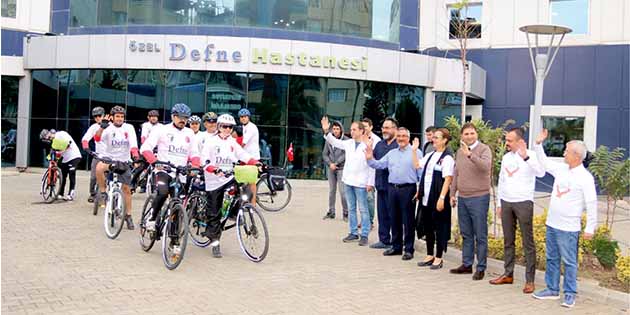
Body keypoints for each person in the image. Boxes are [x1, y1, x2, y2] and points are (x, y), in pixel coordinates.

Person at [531, 129, 597, 308]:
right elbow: (544, 162)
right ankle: (552, 289)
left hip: (569, 228)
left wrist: (590, 228)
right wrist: (538, 144)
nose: (563, 153)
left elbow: (591, 204)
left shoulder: (585, 178)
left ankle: (569, 293)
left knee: (569, 262)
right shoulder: (561, 169)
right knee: (552, 258)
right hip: (552, 223)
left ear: (576, 156)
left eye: (566, 151)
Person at [489, 127, 545, 294]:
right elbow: (502, 180)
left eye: (510, 140)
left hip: (524, 203)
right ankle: (508, 274)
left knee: (528, 242)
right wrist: (499, 203)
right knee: (508, 240)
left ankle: (529, 280)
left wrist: (526, 157)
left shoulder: (531, 155)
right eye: (506, 140)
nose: (506, 143)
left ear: (520, 141)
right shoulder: (506, 157)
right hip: (506, 202)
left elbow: (541, 172)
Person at [201, 114, 259, 258]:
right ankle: (215, 241)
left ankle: (235, 213)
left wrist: (255, 162)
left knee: (242, 192)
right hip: (213, 181)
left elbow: (242, 154)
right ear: (219, 127)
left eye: (230, 127)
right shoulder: (210, 141)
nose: (227, 129)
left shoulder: (232, 142)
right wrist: (213, 169)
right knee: (214, 212)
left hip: (229, 177)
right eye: (224, 126)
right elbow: (204, 161)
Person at [140, 103, 200, 236]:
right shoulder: (162, 130)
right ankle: (152, 219)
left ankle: (174, 241)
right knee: (162, 192)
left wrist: (195, 167)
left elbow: (195, 153)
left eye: (185, 117)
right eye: (180, 117)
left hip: (180, 173)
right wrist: (154, 162)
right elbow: (145, 148)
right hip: (164, 170)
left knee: (177, 206)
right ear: (173, 117)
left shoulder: (190, 133)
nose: (182, 120)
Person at [365, 127, 421, 261]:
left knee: (408, 220)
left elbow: (420, 172)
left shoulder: (416, 152)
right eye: (399, 136)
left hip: (408, 189)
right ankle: (396, 247)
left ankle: (408, 249)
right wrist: (369, 157)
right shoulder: (391, 153)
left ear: (409, 138)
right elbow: (378, 165)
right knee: (394, 218)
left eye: (404, 136)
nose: (401, 139)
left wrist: (420, 189)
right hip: (392, 189)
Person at [321, 116, 373, 246]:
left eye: (355, 129)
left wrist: (370, 182)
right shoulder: (348, 143)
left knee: (363, 209)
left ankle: (364, 234)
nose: (352, 132)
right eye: (351, 129)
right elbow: (334, 142)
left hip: (361, 183)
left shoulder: (368, 145)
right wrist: (326, 131)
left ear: (362, 131)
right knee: (351, 208)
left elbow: (372, 165)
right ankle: (353, 232)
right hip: (348, 181)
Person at [449, 123, 492, 280]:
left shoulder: (484, 149)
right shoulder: (460, 152)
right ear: (462, 136)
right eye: (466, 134)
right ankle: (467, 264)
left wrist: (470, 155)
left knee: (480, 235)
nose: (469, 136)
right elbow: (456, 173)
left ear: (477, 134)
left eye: (472, 133)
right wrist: (452, 193)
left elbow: (486, 167)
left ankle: (481, 267)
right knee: (466, 234)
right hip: (463, 197)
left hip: (479, 197)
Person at [413, 128, 455, 270]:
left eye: (437, 137)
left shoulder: (447, 158)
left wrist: (442, 198)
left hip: (438, 197)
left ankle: (439, 257)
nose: (434, 140)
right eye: (433, 137)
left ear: (444, 140)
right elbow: (417, 165)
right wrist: (414, 150)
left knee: (439, 227)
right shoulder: (431, 155)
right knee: (428, 227)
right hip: (426, 196)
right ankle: (429, 254)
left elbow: (448, 179)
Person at [93, 106, 139, 229]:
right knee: (98, 168)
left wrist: (135, 156)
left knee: (127, 190)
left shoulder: (129, 128)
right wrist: (102, 128)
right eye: (117, 116)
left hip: (124, 161)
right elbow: (97, 139)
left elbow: (133, 143)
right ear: (112, 117)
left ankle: (128, 216)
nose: (120, 119)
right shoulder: (107, 127)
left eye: (122, 116)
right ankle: (103, 192)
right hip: (109, 159)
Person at [369, 118, 399, 249]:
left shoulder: (399, 145)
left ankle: (396, 240)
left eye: (387, 128)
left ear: (395, 129)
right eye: (383, 128)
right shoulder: (380, 145)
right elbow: (373, 162)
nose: (384, 130)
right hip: (380, 185)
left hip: (394, 186)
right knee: (382, 214)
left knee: (394, 215)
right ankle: (384, 239)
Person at [40, 129, 82, 201]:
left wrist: (60, 152)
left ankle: (70, 194)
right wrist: (49, 157)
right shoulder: (53, 142)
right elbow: (53, 152)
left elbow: (68, 144)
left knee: (71, 173)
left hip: (74, 156)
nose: (49, 139)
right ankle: (60, 193)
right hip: (65, 158)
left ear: (50, 133)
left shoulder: (61, 134)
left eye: (49, 137)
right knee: (63, 175)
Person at [322, 120, 349, 221]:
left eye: (337, 129)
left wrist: (336, 163)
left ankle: (346, 213)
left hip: (341, 168)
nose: (335, 131)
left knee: (343, 192)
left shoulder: (346, 140)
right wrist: (330, 164)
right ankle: (331, 212)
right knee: (331, 191)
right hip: (331, 168)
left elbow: (346, 154)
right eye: (334, 129)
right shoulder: (329, 139)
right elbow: (324, 154)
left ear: (341, 129)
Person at [81, 106, 106, 203]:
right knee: (93, 177)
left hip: (110, 156)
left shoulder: (111, 126)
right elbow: (85, 138)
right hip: (98, 155)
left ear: (103, 115)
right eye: (95, 117)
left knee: (110, 177)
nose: (97, 118)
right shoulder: (94, 127)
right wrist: (86, 148)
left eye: (99, 116)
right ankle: (92, 193)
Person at [238, 108, 260, 205]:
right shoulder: (243, 127)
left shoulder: (251, 127)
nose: (243, 119)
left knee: (251, 180)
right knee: (243, 179)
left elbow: (243, 143)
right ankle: (245, 199)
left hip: (252, 157)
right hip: (245, 157)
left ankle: (253, 202)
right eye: (241, 117)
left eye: (245, 117)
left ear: (248, 117)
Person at [362, 118, 380, 227]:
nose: (364, 129)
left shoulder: (376, 140)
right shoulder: (359, 139)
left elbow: (375, 161)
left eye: (366, 126)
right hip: (361, 173)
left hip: (371, 174)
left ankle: (370, 221)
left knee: (369, 198)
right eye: (362, 126)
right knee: (362, 200)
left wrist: (370, 181)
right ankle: (365, 220)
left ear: (371, 127)